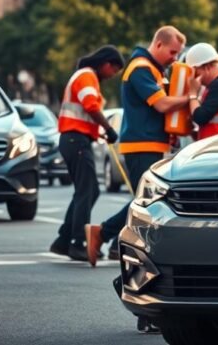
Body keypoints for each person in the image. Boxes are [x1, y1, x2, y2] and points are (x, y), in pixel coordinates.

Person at [86, 26, 190, 267]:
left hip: (149, 142)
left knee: (146, 200)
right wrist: (191, 98)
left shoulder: (153, 68)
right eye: (173, 52)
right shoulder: (141, 68)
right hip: (141, 144)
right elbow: (162, 105)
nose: (174, 58)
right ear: (159, 44)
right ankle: (101, 233)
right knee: (146, 202)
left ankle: (112, 243)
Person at [50, 45, 124, 262]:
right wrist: (109, 129)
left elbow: (84, 114)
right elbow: (91, 105)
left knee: (86, 190)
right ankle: (78, 243)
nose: (112, 76)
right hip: (75, 140)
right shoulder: (87, 76)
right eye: (114, 70)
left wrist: (96, 132)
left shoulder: (85, 76)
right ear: (106, 64)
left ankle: (64, 240)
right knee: (88, 190)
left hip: (75, 140)